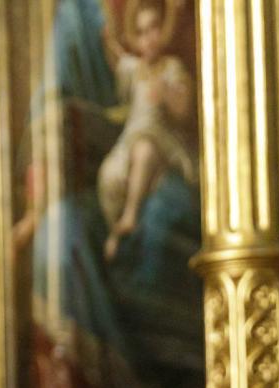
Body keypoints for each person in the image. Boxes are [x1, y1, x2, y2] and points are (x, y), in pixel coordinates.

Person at [98, 0, 196, 262]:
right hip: (130, 140)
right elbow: (117, 57)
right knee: (109, 175)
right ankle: (115, 233)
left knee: (144, 150)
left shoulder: (170, 68)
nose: (148, 38)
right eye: (141, 32)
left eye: (153, 28)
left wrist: (166, 94)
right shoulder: (134, 68)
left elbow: (184, 110)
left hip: (160, 141)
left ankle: (131, 216)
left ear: (163, 29)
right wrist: (109, 40)